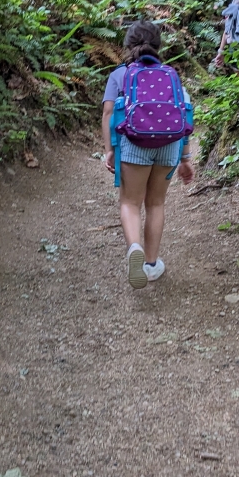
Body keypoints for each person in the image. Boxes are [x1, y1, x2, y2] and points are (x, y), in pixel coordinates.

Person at [102, 21, 195, 288]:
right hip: (168, 145)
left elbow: (108, 114)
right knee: (156, 204)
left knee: (130, 202)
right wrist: (185, 158)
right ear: (159, 46)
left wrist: (109, 150)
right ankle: (151, 265)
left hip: (133, 142)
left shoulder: (120, 74)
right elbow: (185, 111)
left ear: (127, 46)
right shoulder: (170, 74)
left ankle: (134, 248)